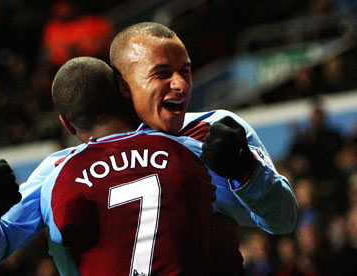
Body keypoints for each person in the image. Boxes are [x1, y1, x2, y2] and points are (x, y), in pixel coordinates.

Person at [0, 57, 216, 275]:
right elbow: (255, 210)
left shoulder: (57, 172)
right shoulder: (186, 149)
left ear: (67, 124)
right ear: (122, 92)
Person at [109, 22, 298, 275]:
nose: (181, 85)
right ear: (123, 86)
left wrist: (247, 172)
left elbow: (283, 219)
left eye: (185, 72)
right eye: (162, 73)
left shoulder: (216, 130)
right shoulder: (84, 160)